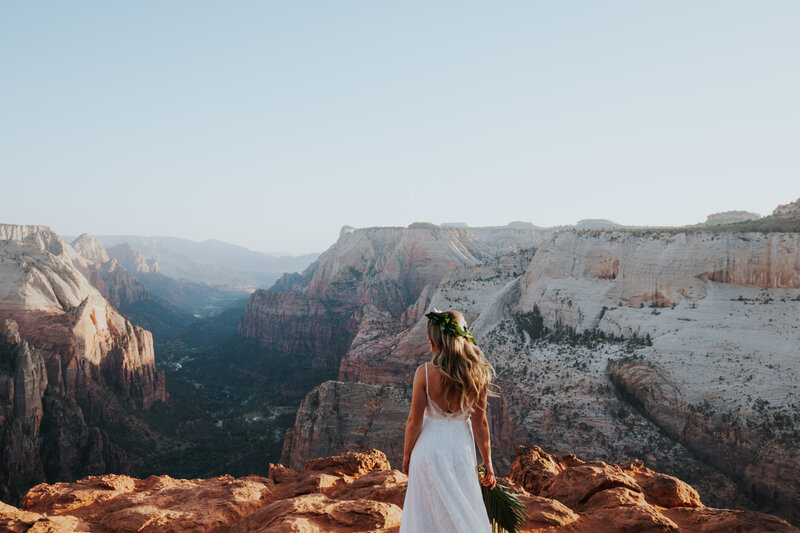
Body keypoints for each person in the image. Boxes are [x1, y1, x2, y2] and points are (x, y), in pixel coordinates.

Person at [399, 308, 496, 533]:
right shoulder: (479, 373)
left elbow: (414, 420)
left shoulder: (424, 373)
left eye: (430, 336)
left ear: (437, 340)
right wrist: (487, 461)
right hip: (461, 450)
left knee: (426, 513)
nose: (427, 339)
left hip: (428, 449)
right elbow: (480, 422)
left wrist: (406, 455)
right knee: (461, 510)